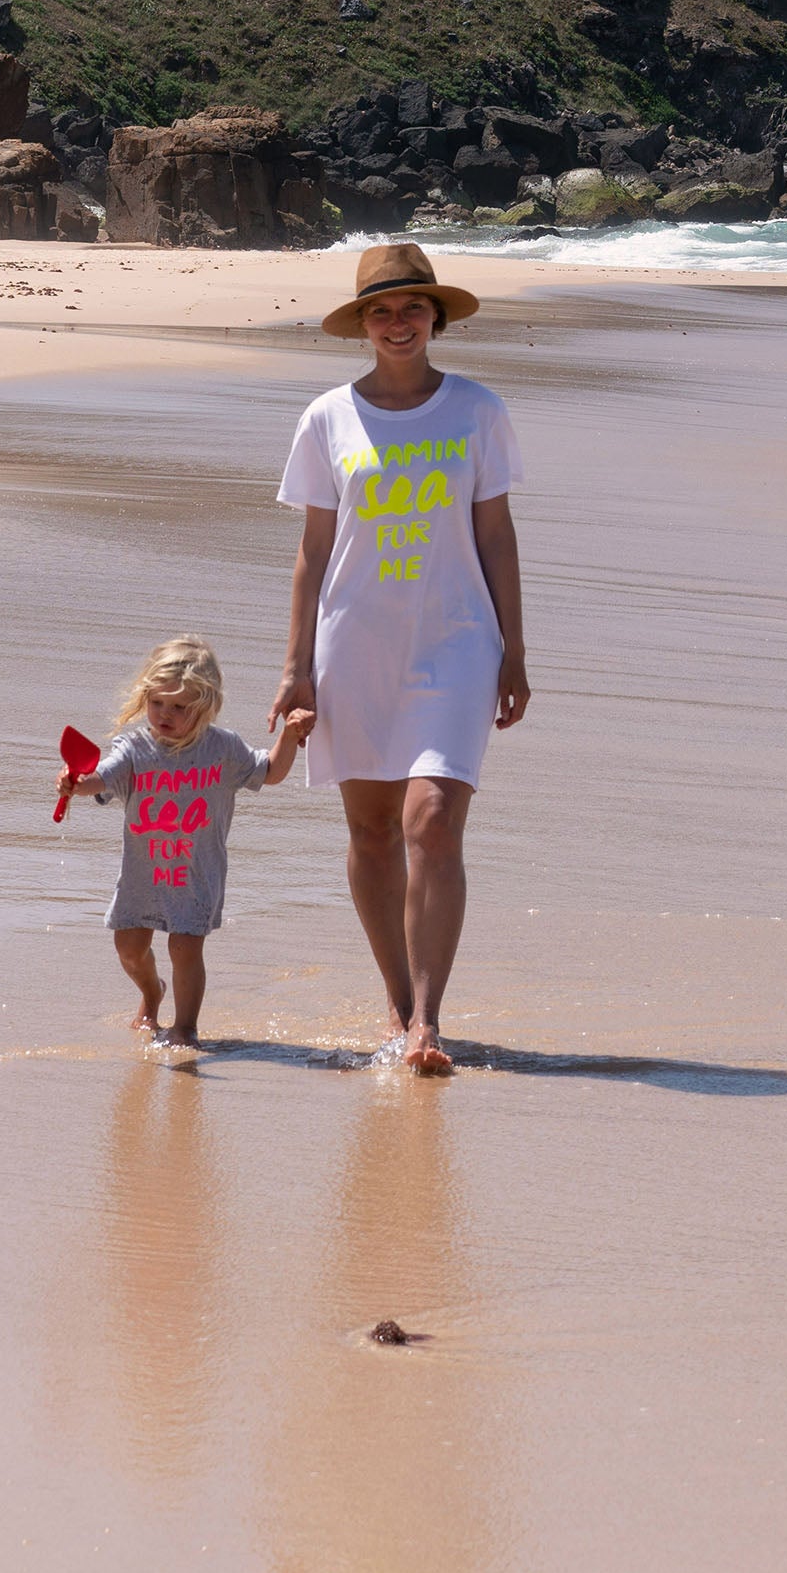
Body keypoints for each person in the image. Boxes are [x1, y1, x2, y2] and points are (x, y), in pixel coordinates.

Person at [272, 243, 529, 1076]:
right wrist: (295, 666)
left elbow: (495, 531)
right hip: (357, 644)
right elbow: (313, 552)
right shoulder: (327, 419)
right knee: (373, 830)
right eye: (380, 311)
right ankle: (395, 998)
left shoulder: (477, 410)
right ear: (362, 326)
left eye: (412, 307)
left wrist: (515, 648)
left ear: (436, 315)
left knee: (432, 820)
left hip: (457, 641)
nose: (397, 323)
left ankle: (428, 1020)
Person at [61, 633, 312, 1049]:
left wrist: (288, 737)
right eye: (157, 703)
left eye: (180, 707)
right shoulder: (135, 748)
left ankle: (186, 1027)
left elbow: (270, 772)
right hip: (142, 874)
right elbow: (102, 778)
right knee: (128, 946)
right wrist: (75, 782)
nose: (165, 714)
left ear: (206, 706)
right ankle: (150, 993)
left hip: (196, 873)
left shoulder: (222, 749)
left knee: (184, 947)